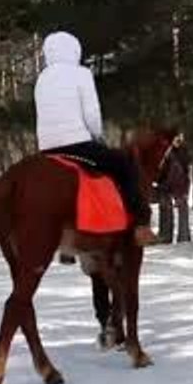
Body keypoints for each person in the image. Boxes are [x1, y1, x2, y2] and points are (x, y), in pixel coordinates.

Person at [33, 31, 154, 246]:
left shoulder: (42, 79)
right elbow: (92, 115)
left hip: (47, 148)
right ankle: (140, 225)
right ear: (74, 50)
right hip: (77, 144)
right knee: (122, 164)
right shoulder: (81, 74)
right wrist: (98, 135)